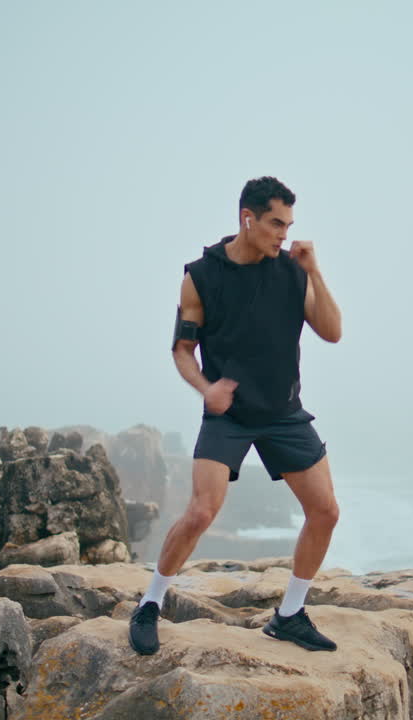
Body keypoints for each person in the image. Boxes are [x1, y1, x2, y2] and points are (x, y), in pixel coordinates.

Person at [129, 176, 343, 655]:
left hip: (284, 412)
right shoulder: (202, 276)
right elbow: (183, 350)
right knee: (202, 510)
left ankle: (289, 614)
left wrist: (315, 271)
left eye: (289, 225)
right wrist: (206, 389)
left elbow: (332, 332)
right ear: (247, 218)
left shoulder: (292, 272)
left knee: (326, 511)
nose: (283, 235)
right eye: (275, 224)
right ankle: (150, 603)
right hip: (228, 414)